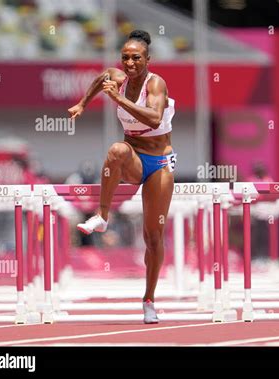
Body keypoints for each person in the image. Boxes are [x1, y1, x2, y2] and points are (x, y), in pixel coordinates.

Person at [68, 30, 176, 324]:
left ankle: (149, 300)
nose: (129, 63)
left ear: (147, 59)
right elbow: (100, 78)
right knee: (116, 150)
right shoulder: (116, 78)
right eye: (125, 57)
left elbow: (153, 118)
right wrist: (82, 103)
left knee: (153, 238)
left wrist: (118, 99)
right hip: (134, 159)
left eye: (136, 58)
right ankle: (103, 216)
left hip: (159, 163)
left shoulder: (156, 85)